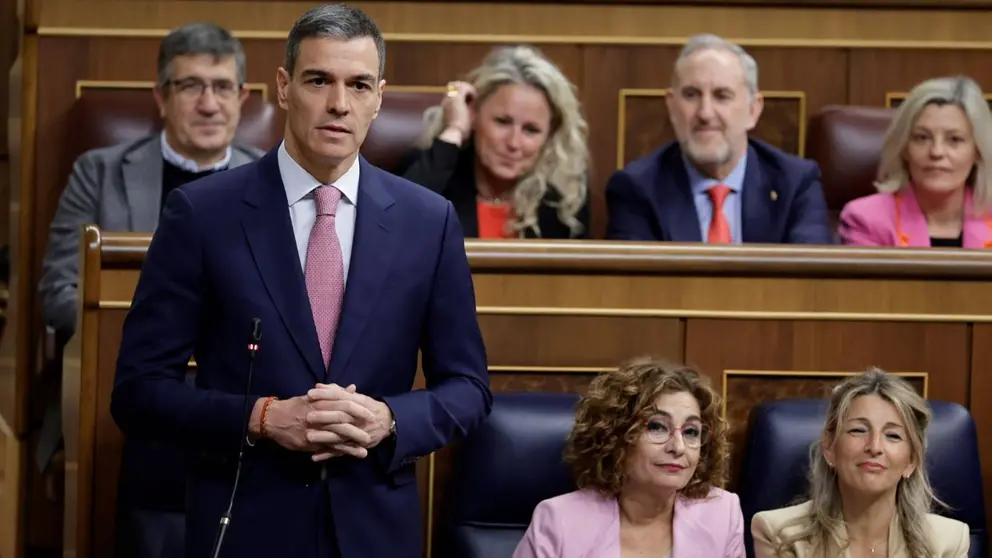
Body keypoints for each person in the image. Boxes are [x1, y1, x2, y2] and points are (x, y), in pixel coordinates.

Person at [110, 4, 492, 558]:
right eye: (320, 80)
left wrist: (390, 419)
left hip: (374, 530)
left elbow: (469, 389)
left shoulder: (427, 221)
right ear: (285, 87)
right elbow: (138, 393)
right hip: (245, 523)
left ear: (379, 96)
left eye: (359, 84)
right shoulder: (202, 214)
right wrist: (261, 418)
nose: (340, 103)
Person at [37, 22, 262, 558]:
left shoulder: (269, 181)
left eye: (222, 86)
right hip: (119, 383)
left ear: (244, 98)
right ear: (161, 97)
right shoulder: (101, 171)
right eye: (190, 86)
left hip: (236, 393)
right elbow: (57, 290)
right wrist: (152, 342)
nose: (209, 103)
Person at [604, 34, 831, 245]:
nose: (705, 113)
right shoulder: (636, 188)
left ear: (753, 110)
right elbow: (633, 287)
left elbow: (810, 283)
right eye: (691, 95)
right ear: (672, 107)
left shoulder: (795, 183)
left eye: (722, 96)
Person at [513, 359, 745, 558]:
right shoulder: (559, 521)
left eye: (691, 431)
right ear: (616, 436)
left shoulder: (722, 514)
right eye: (657, 427)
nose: (678, 447)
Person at [751, 369, 969, 557]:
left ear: (912, 460)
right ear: (829, 448)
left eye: (893, 435)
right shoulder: (781, 534)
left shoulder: (947, 542)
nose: (874, 447)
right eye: (858, 430)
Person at [399, 45, 590, 239]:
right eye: (502, 122)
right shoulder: (432, 170)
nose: (514, 143)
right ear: (473, 115)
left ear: (550, 134)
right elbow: (393, 224)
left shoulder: (565, 198)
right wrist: (455, 130)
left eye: (531, 130)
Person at [839, 76, 992, 248]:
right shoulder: (867, 219)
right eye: (922, 138)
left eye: (954, 140)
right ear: (904, 148)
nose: (936, 152)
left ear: (978, 152)